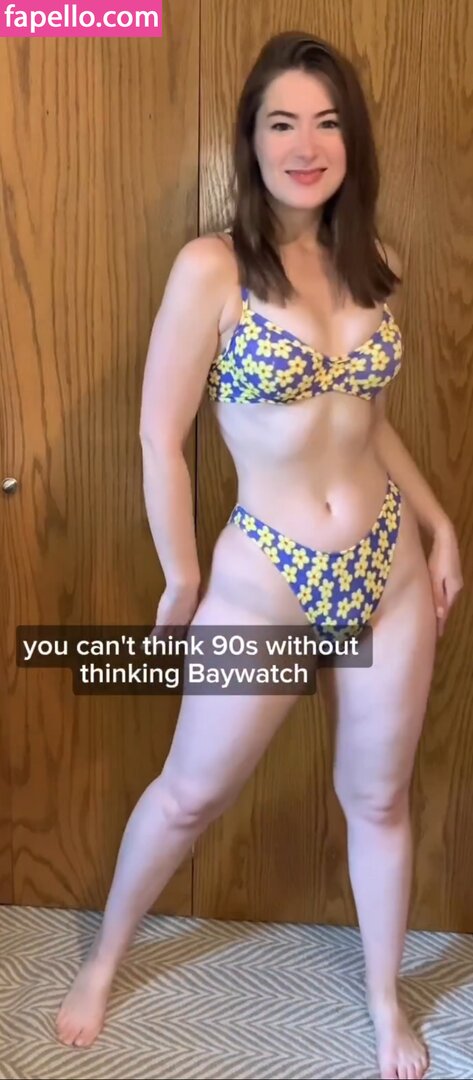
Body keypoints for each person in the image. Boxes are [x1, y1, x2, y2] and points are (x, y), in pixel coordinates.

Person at [56, 30, 463, 1080]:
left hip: (385, 569)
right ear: (250, 140)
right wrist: (181, 575)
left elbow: (366, 422)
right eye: (282, 122)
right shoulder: (213, 268)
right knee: (190, 793)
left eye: (326, 122)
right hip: (264, 580)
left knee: (377, 799)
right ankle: (103, 960)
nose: (304, 144)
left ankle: (383, 1002)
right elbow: (159, 435)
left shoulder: (377, 263)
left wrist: (438, 522)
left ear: (351, 141)